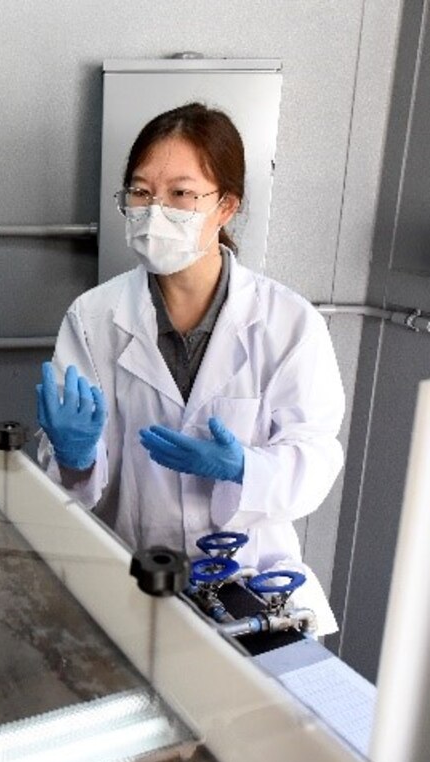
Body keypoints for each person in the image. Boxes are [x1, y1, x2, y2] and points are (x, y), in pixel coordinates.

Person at [37, 103, 344, 635]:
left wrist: (245, 468)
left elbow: (316, 457)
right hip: (135, 573)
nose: (155, 211)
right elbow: (64, 483)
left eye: (181, 194)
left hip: (254, 585)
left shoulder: (289, 324)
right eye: (140, 192)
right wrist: (73, 456)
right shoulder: (93, 318)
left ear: (226, 206)